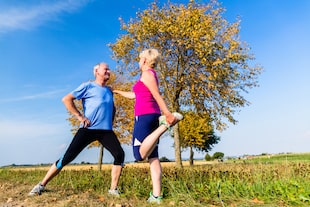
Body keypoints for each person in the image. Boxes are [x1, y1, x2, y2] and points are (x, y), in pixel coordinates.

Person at [29, 63, 125, 197]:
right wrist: (80, 116)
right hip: (88, 128)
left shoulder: (109, 90)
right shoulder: (88, 86)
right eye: (106, 69)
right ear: (97, 71)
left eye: (109, 69)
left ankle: (113, 189)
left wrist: (111, 122)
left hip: (106, 131)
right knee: (67, 158)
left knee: (119, 154)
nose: (109, 71)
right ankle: (41, 185)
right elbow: (66, 99)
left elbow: (111, 108)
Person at [113, 48, 183, 204]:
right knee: (153, 157)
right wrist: (116, 91)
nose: (138, 62)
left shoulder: (147, 74)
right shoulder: (147, 76)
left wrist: (168, 115)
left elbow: (157, 94)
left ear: (144, 60)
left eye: (139, 59)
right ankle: (157, 196)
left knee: (139, 155)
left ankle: (164, 126)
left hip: (144, 117)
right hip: (151, 116)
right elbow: (135, 95)